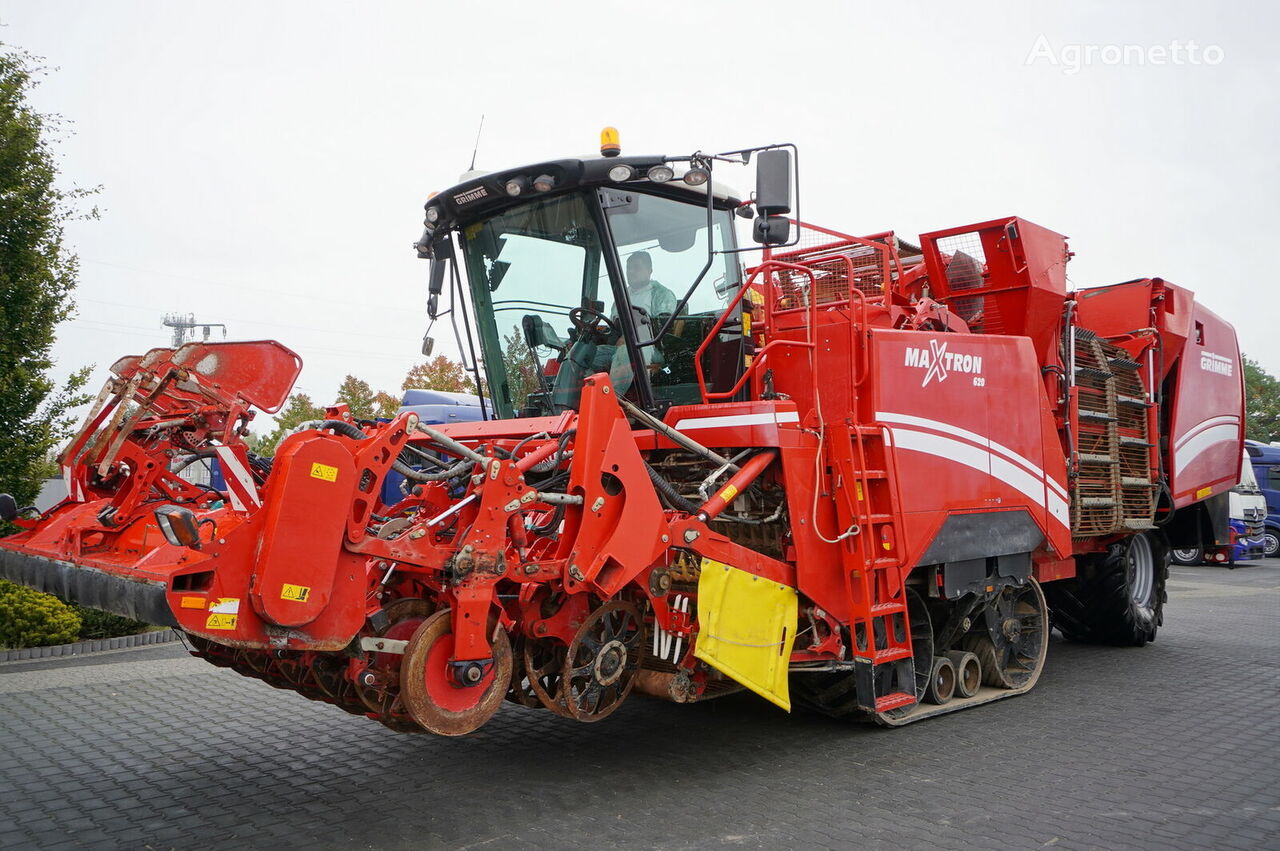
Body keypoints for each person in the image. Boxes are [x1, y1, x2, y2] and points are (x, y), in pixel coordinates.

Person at [608, 251, 678, 393]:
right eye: (628, 268)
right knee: (586, 353)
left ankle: (611, 402)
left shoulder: (661, 294)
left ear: (649, 270)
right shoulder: (621, 297)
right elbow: (613, 328)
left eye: (637, 267)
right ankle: (566, 405)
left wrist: (630, 337)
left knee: (626, 352)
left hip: (651, 348)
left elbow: (662, 327)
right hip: (619, 346)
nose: (631, 271)